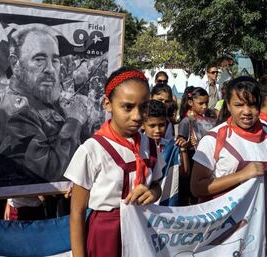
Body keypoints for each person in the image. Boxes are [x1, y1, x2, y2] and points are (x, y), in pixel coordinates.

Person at [65, 68, 163, 257]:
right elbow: (77, 212)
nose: (136, 116)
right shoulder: (92, 150)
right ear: (108, 104)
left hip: (142, 227)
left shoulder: (149, 145)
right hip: (106, 234)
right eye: (127, 107)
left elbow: (157, 184)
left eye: (143, 107)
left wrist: (152, 192)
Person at [0, 24, 88, 186]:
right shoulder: (16, 112)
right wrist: (74, 121)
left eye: (54, 60)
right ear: (15, 63)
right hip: (34, 208)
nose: (50, 69)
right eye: (39, 59)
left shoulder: (42, 101)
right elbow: (50, 171)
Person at [191, 76, 267, 202]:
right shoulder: (213, 139)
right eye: (239, 105)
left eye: (252, 105)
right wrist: (241, 175)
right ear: (228, 105)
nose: (246, 111)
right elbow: (196, 188)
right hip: (229, 220)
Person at [142, 100, 189, 206]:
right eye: (152, 125)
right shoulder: (138, 147)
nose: (157, 130)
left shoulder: (170, 146)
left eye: (161, 125)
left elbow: (184, 173)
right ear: (143, 125)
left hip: (165, 203)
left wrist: (183, 150)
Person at [178, 86, 216, 205]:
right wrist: (189, 143)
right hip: (192, 160)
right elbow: (180, 143)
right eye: (200, 103)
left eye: (206, 103)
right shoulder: (186, 121)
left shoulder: (210, 118)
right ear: (190, 102)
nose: (204, 106)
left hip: (207, 160)